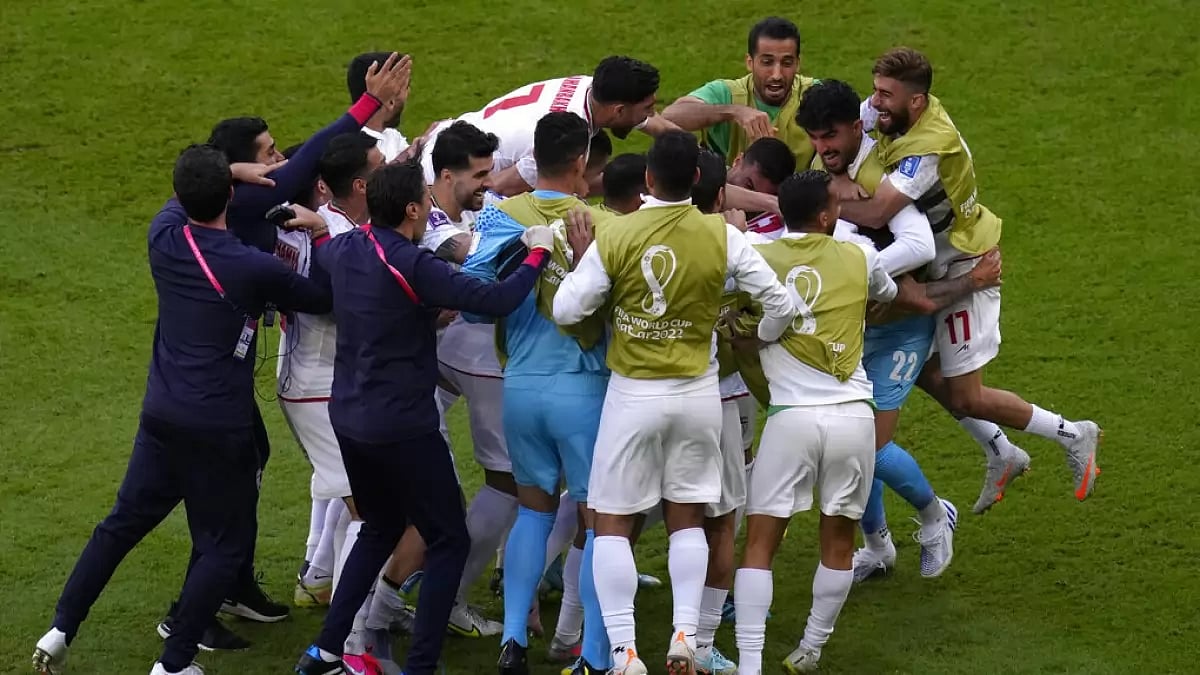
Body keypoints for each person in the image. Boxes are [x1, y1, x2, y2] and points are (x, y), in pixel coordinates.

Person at [32, 145, 334, 675]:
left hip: (161, 416)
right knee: (223, 544)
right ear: (232, 196)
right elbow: (325, 298)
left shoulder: (165, 235)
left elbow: (180, 199)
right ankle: (173, 664)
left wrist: (229, 171)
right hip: (220, 428)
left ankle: (60, 629)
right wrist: (323, 231)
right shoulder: (253, 266)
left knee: (121, 525)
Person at [294, 160, 557, 675]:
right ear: (413, 209)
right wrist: (538, 251)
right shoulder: (414, 265)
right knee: (449, 538)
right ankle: (420, 666)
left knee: (380, 525)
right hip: (402, 426)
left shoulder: (346, 248)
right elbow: (499, 299)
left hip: (348, 417)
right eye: (425, 199)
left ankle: (325, 652)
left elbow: (336, 262)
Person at [552, 131, 795, 675]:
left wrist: (590, 267)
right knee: (688, 517)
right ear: (696, 182)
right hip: (698, 396)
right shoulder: (722, 236)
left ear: (647, 179)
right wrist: (759, 337)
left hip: (633, 395)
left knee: (611, 522)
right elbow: (782, 301)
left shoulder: (618, 234)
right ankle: (686, 634)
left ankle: (624, 652)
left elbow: (568, 310)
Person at [836, 47, 1101, 506]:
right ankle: (1002, 452)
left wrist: (825, 200)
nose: (874, 102)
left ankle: (1073, 434)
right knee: (925, 372)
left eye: (884, 94)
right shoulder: (900, 114)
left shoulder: (929, 148)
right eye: (874, 90)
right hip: (938, 262)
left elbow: (881, 209)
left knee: (968, 396)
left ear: (915, 102)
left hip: (965, 263)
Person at [728, 170, 920, 674]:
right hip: (854, 417)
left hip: (791, 419)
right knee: (838, 540)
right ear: (824, 215)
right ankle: (811, 648)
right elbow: (886, 291)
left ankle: (749, 662)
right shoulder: (859, 255)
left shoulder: (756, 254)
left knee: (760, 542)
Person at [456, 111, 612, 675]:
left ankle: (514, 639)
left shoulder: (503, 216)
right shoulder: (602, 224)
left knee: (534, 513)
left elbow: (470, 300)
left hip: (519, 389)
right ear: (579, 163)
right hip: (584, 393)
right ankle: (594, 651)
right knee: (600, 524)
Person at [797, 78, 963, 579]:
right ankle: (877, 546)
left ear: (855, 127)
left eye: (832, 137)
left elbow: (919, 247)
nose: (823, 149)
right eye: (816, 139)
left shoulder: (879, 170)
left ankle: (937, 515)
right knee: (847, 443)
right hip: (856, 328)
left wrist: (860, 280)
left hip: (903, 325)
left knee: (868, 444)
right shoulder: (822, 169)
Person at [277, 133, 383, 609]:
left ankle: (327, 585)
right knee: (370, 508)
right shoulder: (333, 235)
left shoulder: (319, 225)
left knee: (362, 499)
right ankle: (348, 635)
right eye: (381, 168)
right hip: (320, 384)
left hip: (315, 377)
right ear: (359, 185)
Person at [420, 56, 673, 196]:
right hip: (443, 177)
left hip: (452, 135)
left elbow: (649, 121)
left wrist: (688, 150)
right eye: (647, 108)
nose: (651, 115)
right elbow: (498, 189)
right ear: (618, 110)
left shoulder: (591, 87)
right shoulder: (563, 137)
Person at [663, 18, 818, 187]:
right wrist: (734, 112)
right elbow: (669, 117)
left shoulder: (815, 95)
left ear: (798, 63)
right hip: (727, 202)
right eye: (767, 62)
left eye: (787, 63)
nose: (777, 75)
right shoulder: (727, 93)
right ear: (750, 62)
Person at [346, 52, 411, 162]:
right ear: (390, 100)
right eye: (405, 87)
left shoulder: (391, 136)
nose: (408, 93)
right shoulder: (356, 153)